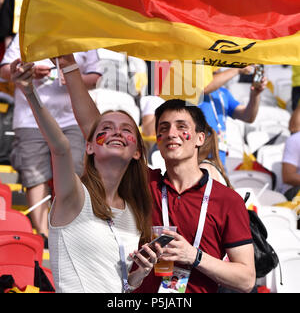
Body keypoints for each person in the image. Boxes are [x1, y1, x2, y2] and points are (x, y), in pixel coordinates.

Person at [55, 54, 256, 294]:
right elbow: (95, 130)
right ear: (157, 141)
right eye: (164, 128)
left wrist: (194, 256)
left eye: (182, 127)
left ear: (200, 138)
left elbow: (246, 279)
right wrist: (70, 68)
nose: (172, 133)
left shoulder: (226, 200)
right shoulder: (144, 184)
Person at [10, 58, 161, 293]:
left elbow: (117, 288)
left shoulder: (134, 209)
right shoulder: (75, 195)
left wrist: (137, 276)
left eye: (126, 129)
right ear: (89, 146)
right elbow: (61, 147)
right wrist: (31, 91)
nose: (116, 132)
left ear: (137, 152)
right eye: (107, 129)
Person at [0, 37, 101, 243]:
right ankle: (44, 234)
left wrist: (71, 75)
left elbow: (96, 77)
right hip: (29, 120)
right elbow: (3, 72)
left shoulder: (82, 34)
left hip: (72, 118)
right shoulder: (25, 33)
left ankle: (68, 229)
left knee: (75, 172)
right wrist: (28, 73)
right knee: (35, 174)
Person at [199, 66, 267, 169]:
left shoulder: (223, 92)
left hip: (219, 161)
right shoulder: (192, 86)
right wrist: (237, 69)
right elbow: (205, 87)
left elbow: (248, 116)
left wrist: (255, 95)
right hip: (197, 159)